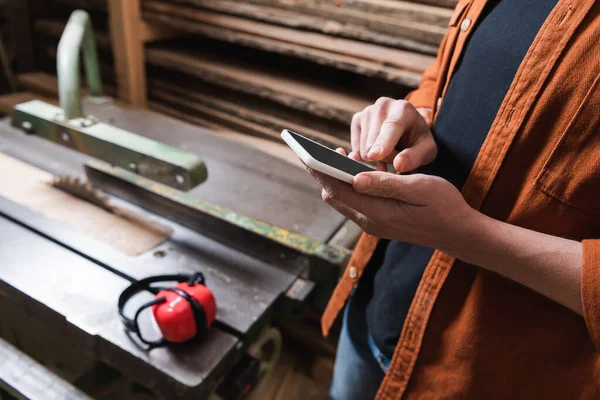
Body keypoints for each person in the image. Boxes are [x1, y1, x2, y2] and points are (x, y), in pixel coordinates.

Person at [309, 0, 600, 398]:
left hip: (477, 375)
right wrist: (417, 115)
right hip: (377, 303)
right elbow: (465, 71)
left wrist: (467, 236)